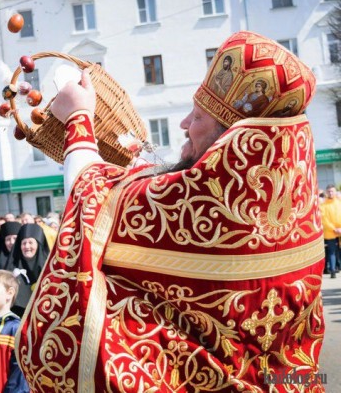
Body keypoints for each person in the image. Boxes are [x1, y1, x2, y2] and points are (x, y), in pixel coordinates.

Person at [16, 31, 324, 391]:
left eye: (197, 116)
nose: (183, 125)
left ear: (231, 137)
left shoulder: (210, 205)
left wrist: (78, 119)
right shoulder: (297, 206)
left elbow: (90, 201)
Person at [7, 224, 49, 317]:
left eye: (30, 242)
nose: (27, 246)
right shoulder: (12, 268)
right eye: (24, 243)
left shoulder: (49, 267)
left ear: (38, 244)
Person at [321, 184, 341, 278]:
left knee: (337, 252)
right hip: (330, 232)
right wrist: (334, 229)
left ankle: (338, 266)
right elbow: (324, 220)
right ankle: (332, 270)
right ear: (326, 192)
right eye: (329, 191)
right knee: (331, 252)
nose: (331, 193)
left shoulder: (339, 202)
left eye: (332, 191)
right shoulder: (323, 205)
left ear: (335, 192)